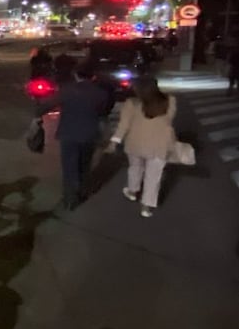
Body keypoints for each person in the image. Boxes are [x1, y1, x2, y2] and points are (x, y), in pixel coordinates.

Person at [37, 64, 110, 210]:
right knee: (84, 165)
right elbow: (104, 112)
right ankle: (82, 191)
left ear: (76, 75)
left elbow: (47, 105)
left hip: (69, 134)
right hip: (89, 134)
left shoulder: (67, 91)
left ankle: (70, 199)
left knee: (70, 167)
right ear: (93, 76)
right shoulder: (101, 93)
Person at [107, 77, 176, 218]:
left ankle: (132, 191)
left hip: (135, 143)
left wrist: (114, 142)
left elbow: (123, 125)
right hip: (160, 144)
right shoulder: (170, 100)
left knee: (135, 167)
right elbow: (169, 120)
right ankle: (146, 207)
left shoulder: (131, 103)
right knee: (154, 176)